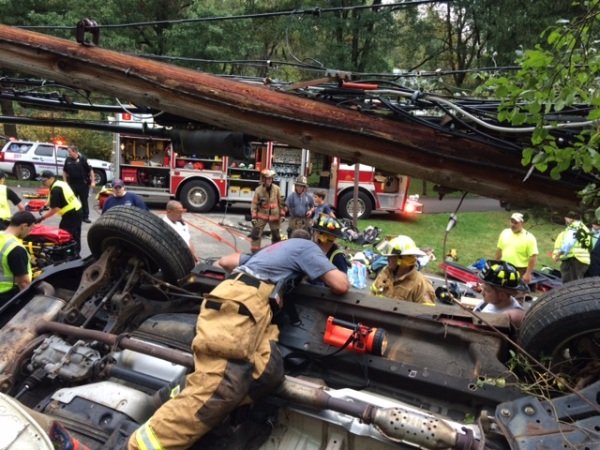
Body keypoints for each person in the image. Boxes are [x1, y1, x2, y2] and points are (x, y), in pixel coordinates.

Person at [128, 237, 349, 450]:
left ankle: (175, 401)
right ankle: (140, 444)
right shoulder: (307, 247)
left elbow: (226, 262)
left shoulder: (272, 251)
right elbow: (340, 284)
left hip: (251, 304)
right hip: (241, 302)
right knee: (222, 387)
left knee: (266, 373)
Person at [370, 235, 436, 304]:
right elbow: (372, 296)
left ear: (402, 260)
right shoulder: (386, 272)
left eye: (391, 256)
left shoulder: (421, 285)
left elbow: (426, 310)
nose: (388, 259)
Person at [38, 170, 83, 257]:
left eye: (44, 180)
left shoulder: (56, 189)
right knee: (75, 233)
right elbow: (52, 198)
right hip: (76, 210)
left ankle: (71, 254)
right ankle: (75, 252)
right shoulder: (58, 183)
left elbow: (55, 209)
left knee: (65, 234)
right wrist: (45, 206)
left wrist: (42, 218)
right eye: (41, 180)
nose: (43, 182)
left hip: (71, 214)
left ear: (51, 178)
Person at [473, 260, 526, 328]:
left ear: (502, 295)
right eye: (483, 288)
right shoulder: (490, 301)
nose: (482, 293)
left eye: (487, 290)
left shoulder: (510, 316)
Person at [0, 211, 36, 301]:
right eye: (30, 229)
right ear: (24, 226)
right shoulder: (15, 249)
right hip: (6, 295)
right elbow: (23, 283)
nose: (29, 233)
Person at [495, 212, 538, 284]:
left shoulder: (529, 238)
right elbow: (499, 250)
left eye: (516, 223)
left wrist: (528, 274)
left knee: (516, 290)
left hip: (520, 270)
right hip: (504, 266)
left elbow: (533, 257)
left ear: (522, 224)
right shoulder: (505, 233)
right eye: (512, 222)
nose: (513, 225)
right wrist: (496, 264)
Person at [249, 169, 284, 253]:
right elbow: (254, 204)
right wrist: (254, 217)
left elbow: (282, 203)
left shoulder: (277, 189)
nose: (269, 180)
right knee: (255, 234)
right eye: (267, 179)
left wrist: (282, 215)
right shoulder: (258, 190)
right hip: (262, 216)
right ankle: (255, 253)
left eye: (270, 179)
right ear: (263, 179)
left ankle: (275, 253)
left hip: (274, 217)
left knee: (276, 236)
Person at [552, 211, 591, 283]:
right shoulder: (584, 228)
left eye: (566, 217)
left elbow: (569, 242)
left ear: (571, 219)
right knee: (576, 284)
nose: (565, 219)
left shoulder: (574, 227)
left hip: (573, 259)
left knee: (568, 284)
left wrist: (558, 254)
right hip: (582, 260)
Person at [63, 145, 95, 224]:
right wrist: (65, 182)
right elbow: (64, 171)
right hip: (72, 184)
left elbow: (91, 170)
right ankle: (73, 216)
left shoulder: (83, 159)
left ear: (75, 151)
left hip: (83, 184)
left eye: (70, 152)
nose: (68, 153)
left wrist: (93, 181)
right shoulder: (67, 160)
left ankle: (85, 217)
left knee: (84, 201)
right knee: (72, 201)